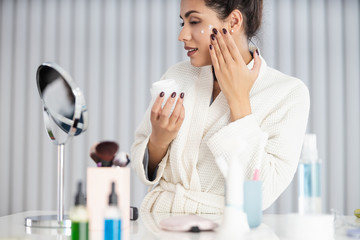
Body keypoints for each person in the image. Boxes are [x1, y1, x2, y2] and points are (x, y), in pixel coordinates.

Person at [131, 0, 310, 214]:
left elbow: (264, 191)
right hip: (161, 223)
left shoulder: (287, 93)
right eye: (183, 23)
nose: (183, 35)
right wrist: (158, 142)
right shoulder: (177, 77)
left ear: (233, 21)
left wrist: (239, 101)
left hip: (225, 228)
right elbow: (141, 160)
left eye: (195, 21)